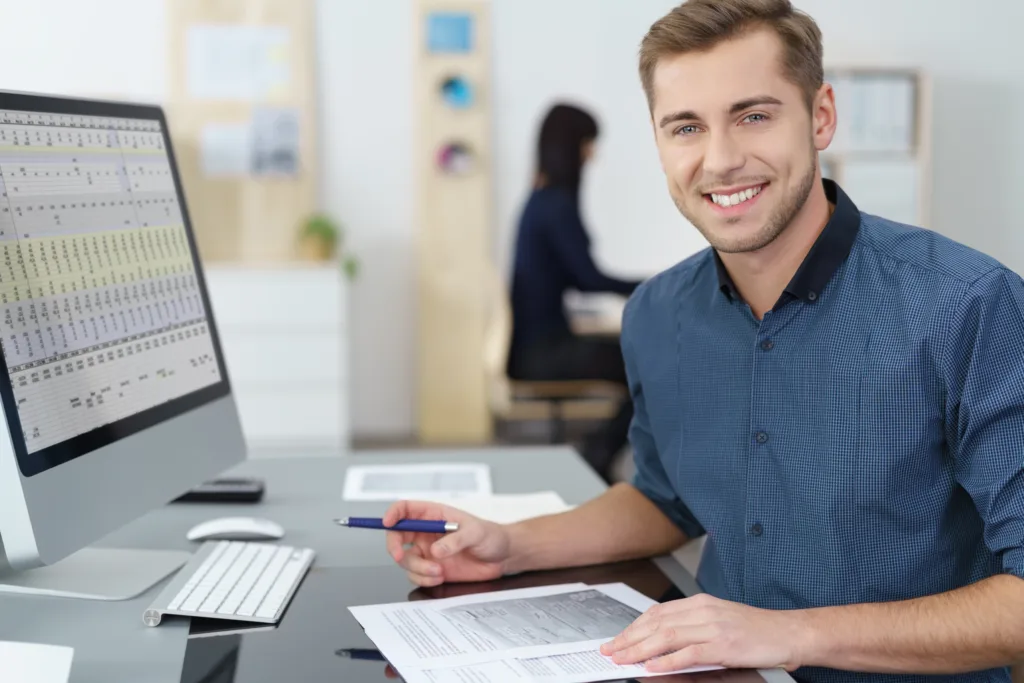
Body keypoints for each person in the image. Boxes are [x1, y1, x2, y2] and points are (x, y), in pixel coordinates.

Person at [385, 1, 1024, 681]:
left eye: (754, 115)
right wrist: (509, 544)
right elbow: (664, 499)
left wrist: (788, 634)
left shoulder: (969, 305)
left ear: (821, 116)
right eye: (686, 126)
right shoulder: (658, 314)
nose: (720, 159)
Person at [506, 103, 643, 482]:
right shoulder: (556, 206)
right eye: (588, 143)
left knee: (641, 361)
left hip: (538, 344)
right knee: (652, 367)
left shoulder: (541, 200)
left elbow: (573, 280)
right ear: (572, 147)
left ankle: (598, 452)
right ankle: (597, 454)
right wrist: (655, 285)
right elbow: (589, 279)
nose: (592, 154)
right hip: (543, 353)